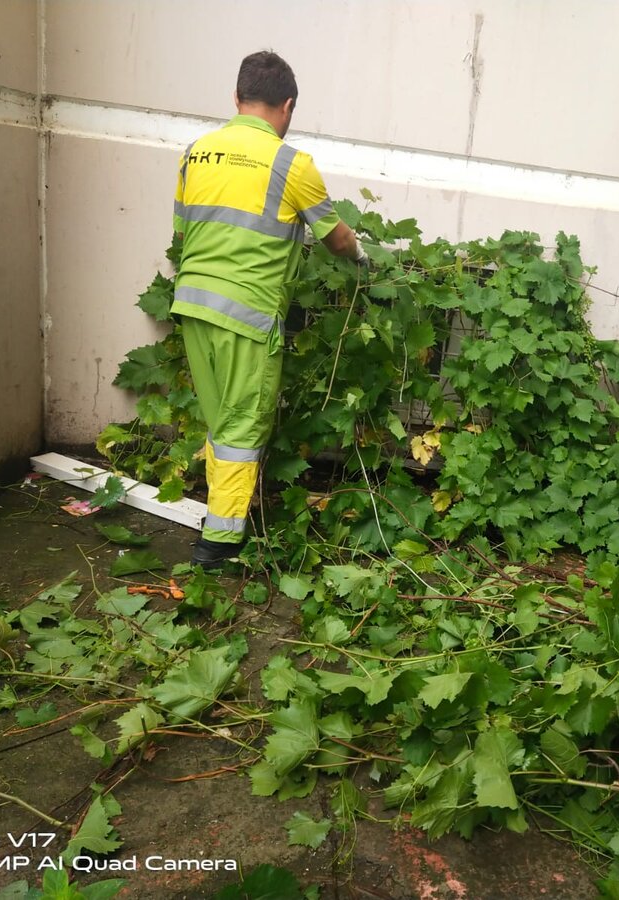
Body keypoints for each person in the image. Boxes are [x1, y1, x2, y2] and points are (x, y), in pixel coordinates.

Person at [171, 50, 366, 566]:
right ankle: (219, 544)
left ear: (237, 99)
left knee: (221, 421)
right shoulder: (290, 163)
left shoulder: (196, 153)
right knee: (243, 426)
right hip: (247, 315)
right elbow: (336, 238)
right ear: (288, 106)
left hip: (193, 305)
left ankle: (222, 513)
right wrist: (363, 256)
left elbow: (181, 233)